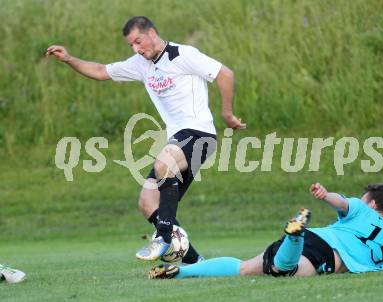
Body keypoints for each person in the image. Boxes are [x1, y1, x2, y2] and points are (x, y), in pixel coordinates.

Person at [46, 16, 246, 264]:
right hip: (179, 139)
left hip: (199, 134)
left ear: (151, 33)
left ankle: (164, 238)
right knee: (147, 201)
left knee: (164, 164)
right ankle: (194, 261)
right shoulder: (141, 64)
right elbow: (100, 71)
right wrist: (69, 59)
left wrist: (226, 113)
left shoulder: (183, 54)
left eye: (138, 42)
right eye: (131, 45)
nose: (136, 49)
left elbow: (224, 73)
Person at [149, 182, 383, 279]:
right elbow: (346, 205)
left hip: (320, 239)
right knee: (286, 270)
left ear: (373, 203)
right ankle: (295, 236)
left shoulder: (362, 209)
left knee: (246, 268)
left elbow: (343, 202)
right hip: (327, 253)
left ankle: (181, 272)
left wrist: (326, 196)